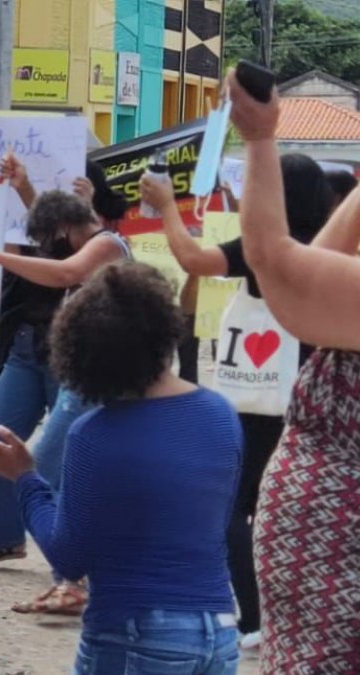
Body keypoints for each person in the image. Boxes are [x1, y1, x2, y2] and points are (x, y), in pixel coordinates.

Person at [0, 263, 242, 675]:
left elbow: (68, 556)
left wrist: (26, 480)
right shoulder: (219, 414)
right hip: (216, 634)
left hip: (135, 634)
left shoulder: (95, 436)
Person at [228, 74, 360, 675]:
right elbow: (303, 304)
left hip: (356, 559)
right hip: (352, 556)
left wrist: (261, 139)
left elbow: (277, 263)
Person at [139, 151, 335, 649]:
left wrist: (165, 206)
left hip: (254, 398)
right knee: (284, 510)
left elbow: (192, 260)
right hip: (306, 398)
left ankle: (253, 618)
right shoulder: (327, 250)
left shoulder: (262, 248)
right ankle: (292, 616)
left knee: (230, 509)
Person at [0, 168, 131, 615]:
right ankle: (55, 568)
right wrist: (25, 186)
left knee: (46, 470)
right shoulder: (79, 236)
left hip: (92, 376)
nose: (47, 245)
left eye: (52, 236)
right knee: (8, 449)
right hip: (68, 366)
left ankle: (74, 579)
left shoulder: (106, 244)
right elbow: (51, 233)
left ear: (66, 228)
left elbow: (68, 269)